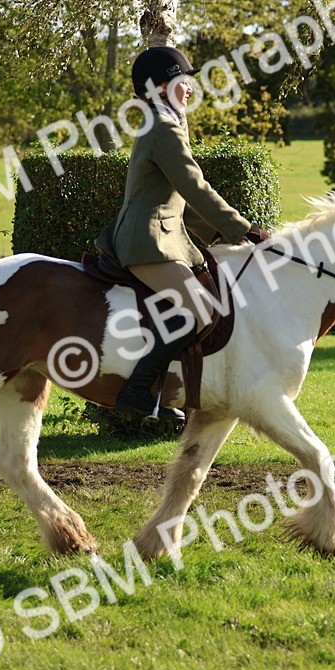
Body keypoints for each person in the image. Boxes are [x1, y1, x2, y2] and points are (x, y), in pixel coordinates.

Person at [95, 45, 270, 421]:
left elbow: (181, 201)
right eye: (182, 81)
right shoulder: (163, 126)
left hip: (165, 238)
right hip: (148, 243)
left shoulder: (165, 121)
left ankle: (168, 391)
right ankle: (140, 392)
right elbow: (194, 186)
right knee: (200, 309)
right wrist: (245, 228)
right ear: (160, 87)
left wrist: (227, 236)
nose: (190, 88)